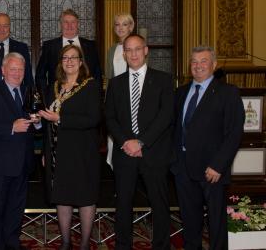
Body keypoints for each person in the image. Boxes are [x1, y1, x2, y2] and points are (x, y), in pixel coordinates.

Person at [104, 34, 174, 250]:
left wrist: (141, 142)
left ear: (145, 51)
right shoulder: (115, 84)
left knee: (159, 204)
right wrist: (127, 142)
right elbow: (110, 117)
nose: (133, 54)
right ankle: (123, 245)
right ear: (123, 54)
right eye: (128, 50)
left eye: (137, 49)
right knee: (123, 205)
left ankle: (161, 246)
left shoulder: (163, 80)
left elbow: (166, 115)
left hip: (153, 152)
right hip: (125, 153)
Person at [172, 46, 244, 250]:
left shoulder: (228, 93)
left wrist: (218, 165)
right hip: (183, 168)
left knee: (216, 222)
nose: (198, 66)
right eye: (194, 61)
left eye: (203, 61)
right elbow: (174, 128)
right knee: (189, 220)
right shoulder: (181, 92)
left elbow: (234, 133)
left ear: (214, 65)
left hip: (212, 170)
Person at [38, 45, 101, 250]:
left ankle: (84, 244)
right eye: (65, 57)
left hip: (82, 152)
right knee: (62, 196)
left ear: (81, 62)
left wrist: (61, 119)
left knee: (84, 197)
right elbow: (49, 123)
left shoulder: (90, 86)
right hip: (58, 152)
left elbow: (94, 118)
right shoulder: (53, 87)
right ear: (60, 62)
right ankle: (65, 242)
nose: (70, 61)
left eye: (74, 58)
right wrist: (46, 151)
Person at [0, 52, 40, 250]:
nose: (17, 73)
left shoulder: (29, 92)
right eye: (13, 69)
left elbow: (34, 125)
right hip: (0, 164)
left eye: (21, 69)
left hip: (23, 163)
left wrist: (37, 123)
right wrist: (11, 127)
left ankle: (12, 243)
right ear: (3, 70)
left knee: (15, 209)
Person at [36, 8, 102, 96]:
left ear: (78, 24)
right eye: (66, 22)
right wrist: (46, 95)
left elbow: (97, 74)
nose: (69, 26)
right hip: (58, 96)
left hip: (86, 96)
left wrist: (96, 95)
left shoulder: (91, 46)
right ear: (61, 24)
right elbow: (40, 75)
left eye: (73, 22)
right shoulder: (50, 46)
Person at [104, 14, 135, 168]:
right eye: (117, 24)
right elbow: (109, 79)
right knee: (114, 140)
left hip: (134, 99)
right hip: (116, 100)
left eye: (124, 24)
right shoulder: (112, 50)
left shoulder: (138, 46)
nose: (120, 28)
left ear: (131, 27)